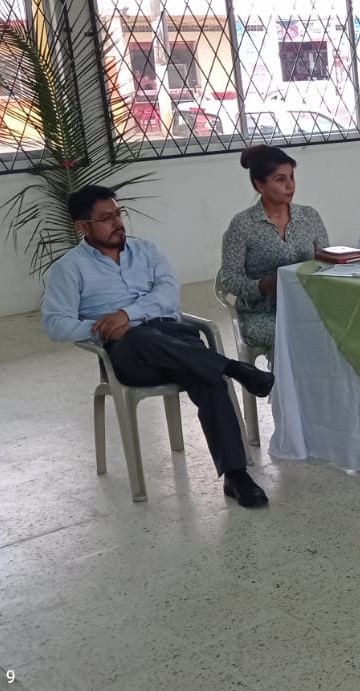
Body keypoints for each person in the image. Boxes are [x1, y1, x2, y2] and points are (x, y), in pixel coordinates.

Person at [44, 185, 275, 508]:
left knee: (207, 379)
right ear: (83, 226)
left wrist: (127, 314)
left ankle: (236, 476)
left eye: (118, 214)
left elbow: (168, 296)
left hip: (173, 337)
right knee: (138, 337)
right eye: (106, 218)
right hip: (130, 355)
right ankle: (233, 367)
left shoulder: (147, 251)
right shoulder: (69, 268)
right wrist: (106, 328)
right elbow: (56, 324)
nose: (118, 223)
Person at [217, 144, 329, 350]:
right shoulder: (243, 225)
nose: (290, 185)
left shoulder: (309, 216)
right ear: (260, 185)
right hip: (263, 313)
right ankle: (283, 373)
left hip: (306, 305)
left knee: (339, 332)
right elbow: (229, 279)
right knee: (293, 338)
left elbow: (326, 262)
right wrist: (264, 285)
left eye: (292, 177)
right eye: (280, 179)